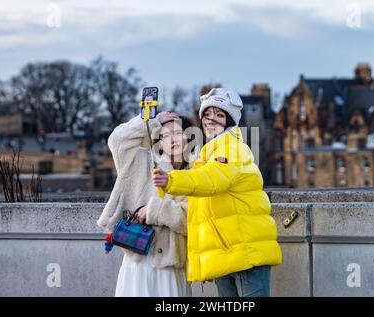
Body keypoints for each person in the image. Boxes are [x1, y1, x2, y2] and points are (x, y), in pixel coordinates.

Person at [152, 88, 282, 297]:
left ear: (230, 121)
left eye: (219, 115)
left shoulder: (232, 149)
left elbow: (211, 179)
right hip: (226, 254)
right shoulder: (208, 152)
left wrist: (171, 180)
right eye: (207, 114)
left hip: (244, 253)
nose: (211, 120)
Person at [97, 111, 196, 297]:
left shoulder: (197, 173)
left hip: (171, 266)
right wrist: (153, 120)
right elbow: (117, 141)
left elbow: (194, 218)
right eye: (165, 135)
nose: (172, 140)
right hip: (139, 260)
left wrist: (154, 210)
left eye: (177, 133)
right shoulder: (141, 161)